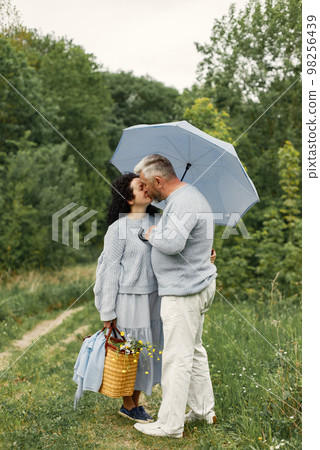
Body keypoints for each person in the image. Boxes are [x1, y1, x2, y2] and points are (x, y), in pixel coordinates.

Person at [132, 154, 218, 439]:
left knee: (176, 358)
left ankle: (170, 425)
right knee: (193, 351)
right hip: (193, 286)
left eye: (146, 184)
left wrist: (152, 233)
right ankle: (205, 411)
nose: (145, 190)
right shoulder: (185, 199)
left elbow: (172, 243)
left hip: (184, 292)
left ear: (158, 180)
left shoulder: (183, 201)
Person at [94, 173, 163, 424]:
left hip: (154, 297)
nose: (147, 190)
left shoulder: (158, 220)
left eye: (147, 186)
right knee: (130, 351)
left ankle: (134, 403)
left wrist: (205, 257)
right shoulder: (118, 229)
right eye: (140, 187)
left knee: (145, 351)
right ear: (129, 197)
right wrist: (107, 313)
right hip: (128, 298)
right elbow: (109, 271)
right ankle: (128, 404)